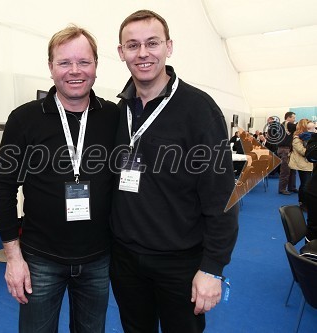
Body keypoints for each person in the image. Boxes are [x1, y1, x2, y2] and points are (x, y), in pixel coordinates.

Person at [109, 10, 239, 333]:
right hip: (125, 259)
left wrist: (212, 268)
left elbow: (223, 197)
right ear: (121, 52)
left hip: (179, 262)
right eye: (133, 45)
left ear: (169, 47)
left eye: (152, 43)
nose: (142, 53)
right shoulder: (119, 110)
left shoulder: (199, 109)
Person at [0, 25, 119, 333]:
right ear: (50, 67)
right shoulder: (24, 118)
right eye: (64, 63)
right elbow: (4, 187)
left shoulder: (114, 117)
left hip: (99, 258)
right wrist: (13, 258)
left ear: (96, 66)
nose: (74, 71)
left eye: (83, 62)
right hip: (40, 259)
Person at [288, 119, 313, 208]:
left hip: (309, 164)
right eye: (310, 128)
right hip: (303, 165)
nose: (313, 130)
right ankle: (302, 203)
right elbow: (303, 152)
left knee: (307, 184)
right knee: (305, 184)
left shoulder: (310, 137)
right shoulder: (297, 138)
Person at [277, 111, 297, 195]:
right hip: (285, 150)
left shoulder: (283, 125)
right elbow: (298, 127)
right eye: (293, 117)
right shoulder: (287, 124)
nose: (294, 119)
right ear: (288, 117)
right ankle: (282, 189)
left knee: (292, 169)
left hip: (286, 149)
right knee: (285, 170)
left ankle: (291, 187)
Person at [304, 132, 317, 241]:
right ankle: (309, 255)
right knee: (313, 229)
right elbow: (310, 156)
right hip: (314, 191)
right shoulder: (314, 140)